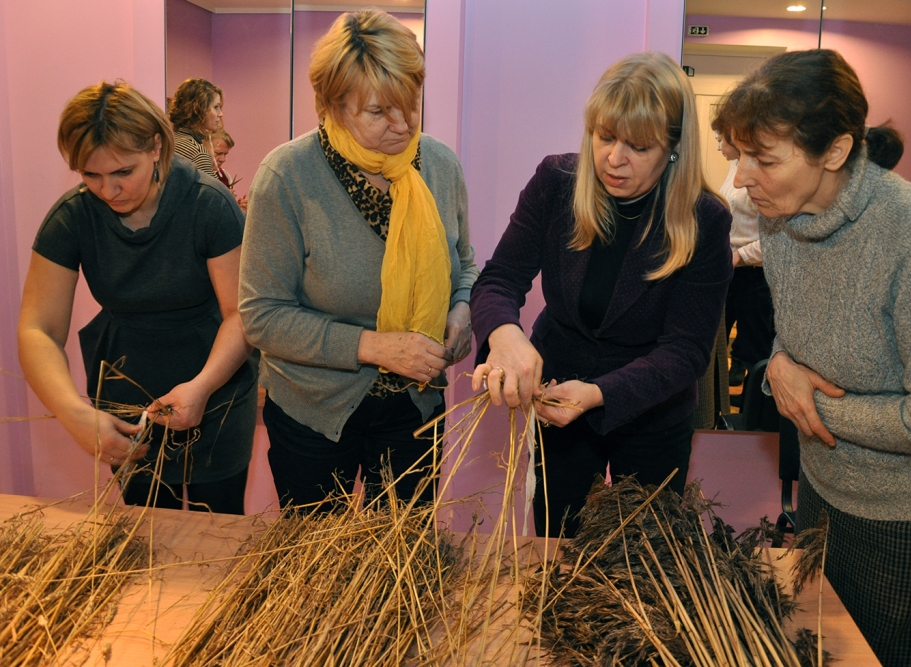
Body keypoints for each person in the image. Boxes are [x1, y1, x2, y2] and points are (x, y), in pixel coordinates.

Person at [714, 49, 911, 666]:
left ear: (833, 152)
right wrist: (780, 366)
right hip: (822, 491)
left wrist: (812, 406)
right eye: (739, 156)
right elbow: (796, 339)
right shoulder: (781, 222)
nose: (741, 181)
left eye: (764, 159)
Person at [470, 52, 733, 538]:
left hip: (653, 411)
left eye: (638, 146)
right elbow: (499, 279)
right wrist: (505, 336)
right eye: (605, 136)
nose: (614, 158)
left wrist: (598, 394)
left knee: (646, 557)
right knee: (560, 546)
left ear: (673, 148)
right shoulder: (555, 183)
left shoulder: (705, 219)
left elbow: (686, 351)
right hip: (559, 403)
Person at [238, 10, 478, 512]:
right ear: (332, 105)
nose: (404, 123)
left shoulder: (439, 165)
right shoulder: (287, 177)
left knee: (404, 561)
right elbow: (262, 317)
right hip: (313, 409)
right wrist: (376, 347)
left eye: (410, 102)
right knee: (315, 564)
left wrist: (460, 311)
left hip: (415, 404)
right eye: (378, 111)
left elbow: (465, 264)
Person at [17, 82, 257, 514]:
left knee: (219, 528)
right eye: (91, 176)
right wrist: (73, 412)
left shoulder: (208, 204)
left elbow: (239, 315)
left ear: (156, 148)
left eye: (123, 172)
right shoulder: (72, 216)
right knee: (146, 526)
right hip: (127, 387)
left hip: (215, 382)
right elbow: (38, 328)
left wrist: (202, 387)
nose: (109, 191)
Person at [712, 123, 775, 390]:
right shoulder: (733, 165)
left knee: (755, 346)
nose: (717, 146)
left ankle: (753, 414)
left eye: (720, 140)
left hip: (755, 273)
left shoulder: (763, 173)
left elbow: (775, 238)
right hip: (731, 268)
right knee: (718, 339)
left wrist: (741, 255)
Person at [169, 78, 223, 179]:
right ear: (197, 108)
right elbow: (211, 194)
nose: (220, 113)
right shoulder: (197, 153)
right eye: (216, 107)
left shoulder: (168, 141)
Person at [212, 129, 247, 212]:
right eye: (218, 153)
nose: (223, 159)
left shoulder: (225, 176)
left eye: (225, 154)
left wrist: (239, 208)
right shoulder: (195, 175)